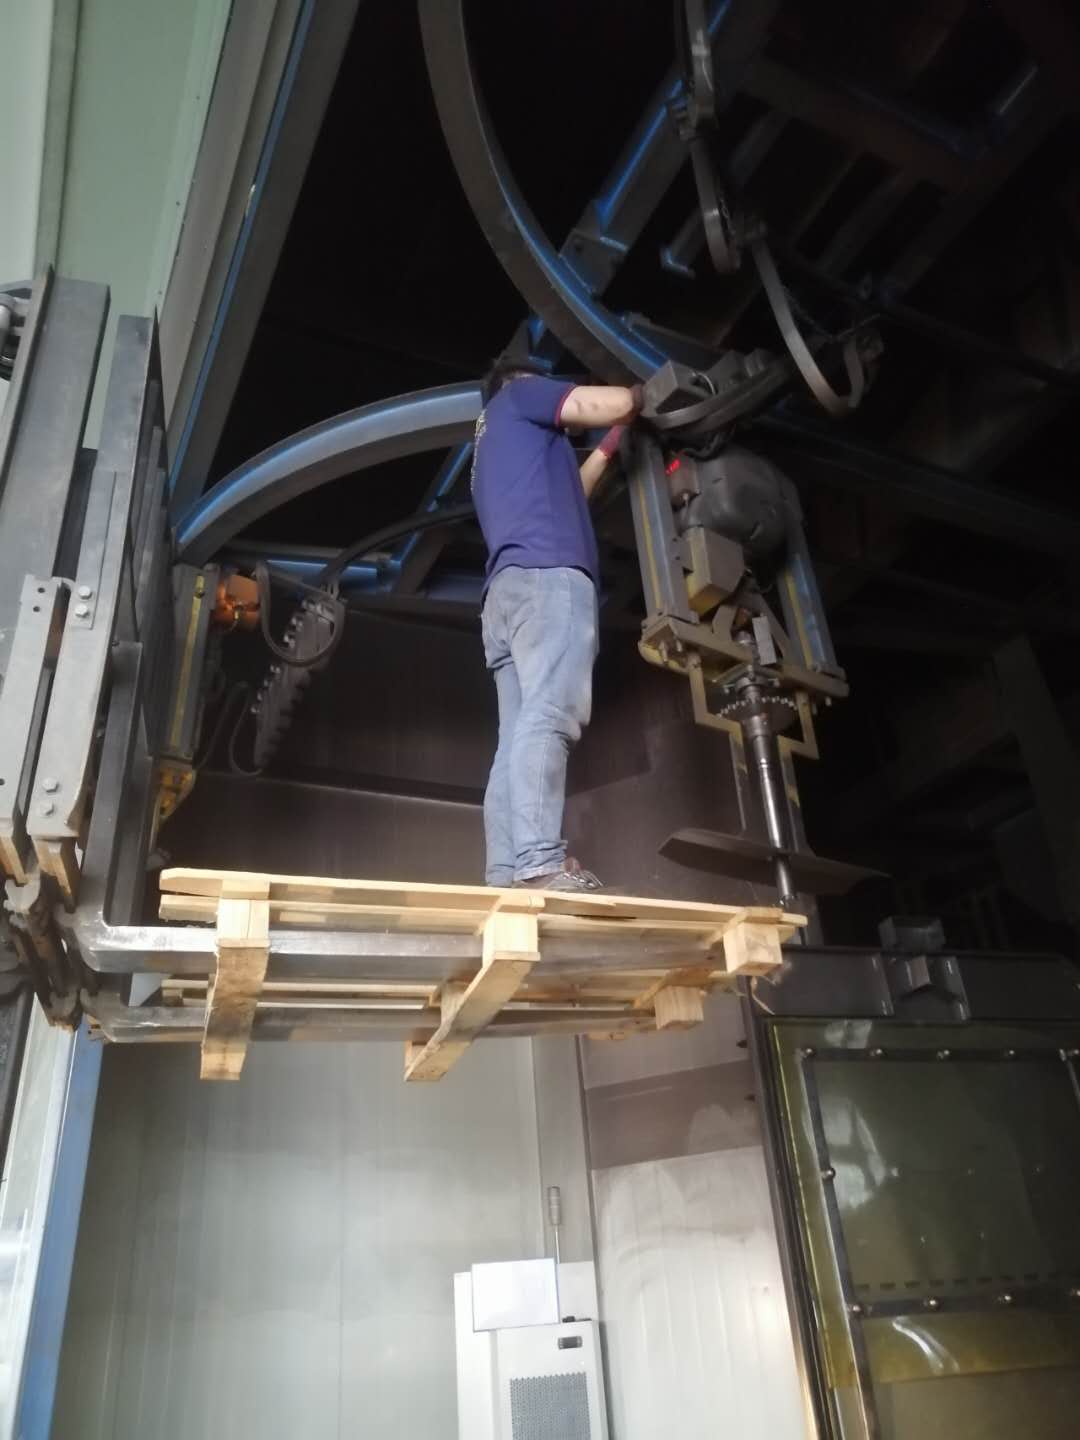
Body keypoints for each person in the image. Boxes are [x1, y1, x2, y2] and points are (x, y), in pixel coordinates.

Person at [471, 358, 641, 892]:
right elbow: (603, 402)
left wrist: (610, 445)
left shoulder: (492, 447)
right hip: (548, 581)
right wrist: (641, 397)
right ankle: (540, 863)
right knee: (549, 716)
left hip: (505, 597)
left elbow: (574, 490)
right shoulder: (520, 396)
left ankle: (506, 873)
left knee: (514, 736)